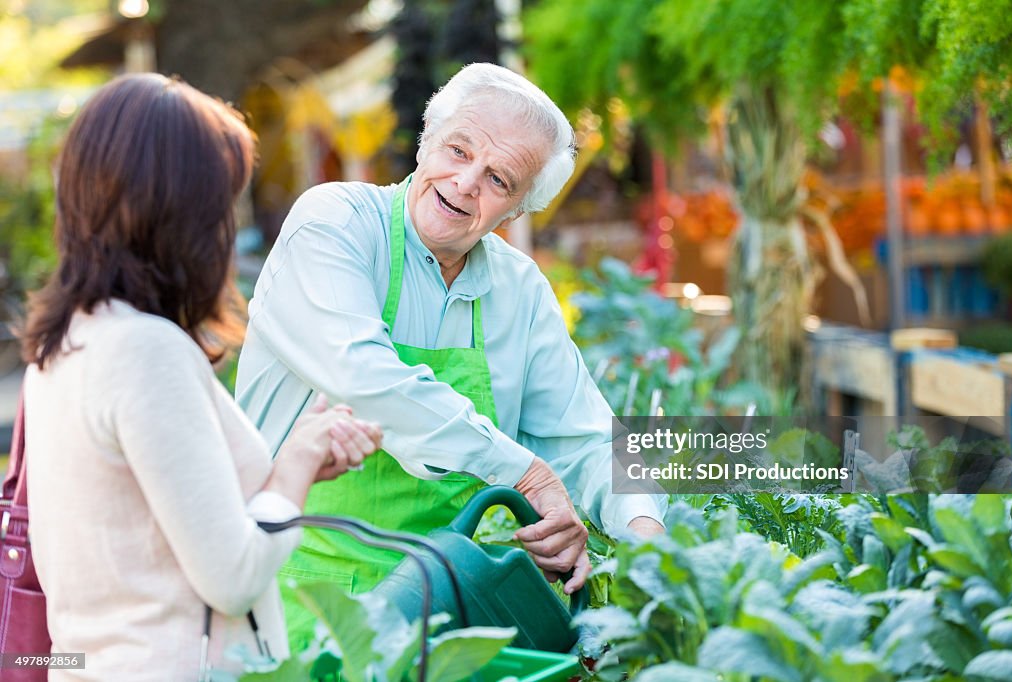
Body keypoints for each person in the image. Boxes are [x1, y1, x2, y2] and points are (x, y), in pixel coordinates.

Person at [235, 62, 666, 649]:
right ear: (425, 141)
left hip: (445, 618)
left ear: (516, 211)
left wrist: (648, 536)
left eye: (500, 180)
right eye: (458, 150)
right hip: (299, 600)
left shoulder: (519, 289)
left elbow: (588, 437)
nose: (466, 181)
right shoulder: (334, 223)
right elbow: (363, 376)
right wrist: (524, 472)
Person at [19, 74, 382, 681]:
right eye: (221, 200)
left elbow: (151, 532)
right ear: (180, 211)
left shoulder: (69, 342)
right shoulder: (145, 351)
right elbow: (233, 575)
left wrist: (299, 461)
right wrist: (293, 465)